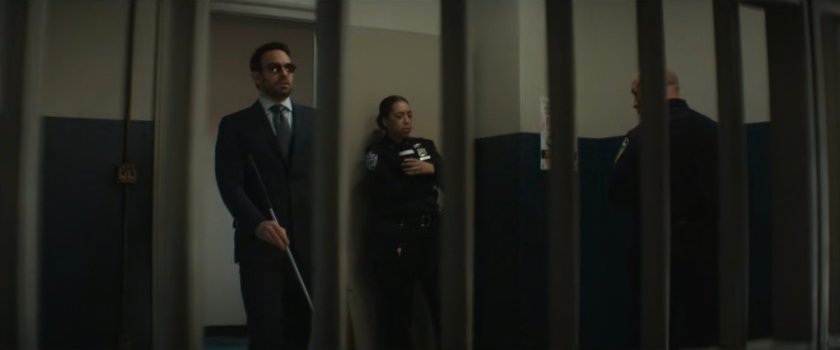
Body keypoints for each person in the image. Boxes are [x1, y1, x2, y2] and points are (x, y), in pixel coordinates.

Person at [609, 70, 719, 348]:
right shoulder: (714, 131)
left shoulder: (639, 137)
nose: (634, 104)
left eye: (635, 95)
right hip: (711, 249)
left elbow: (617, 193)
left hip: (658, 250)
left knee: (661, 327)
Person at [215, 41, 314, 349]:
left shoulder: (317, 120)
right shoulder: (235, 125)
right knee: (266, 332)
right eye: (274, 68)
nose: (283, 73)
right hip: (259, 246)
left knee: (301, 328)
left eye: (288, 67)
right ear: (256, 77)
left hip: (308, 245)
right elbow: (229, 182)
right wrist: (257, 223)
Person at [365, 95, 443, 349]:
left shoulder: (424, 146)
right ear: (385, 121)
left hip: (430, 233)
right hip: (398, 237)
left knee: (441, 301)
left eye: (409, 114)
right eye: (399, 116)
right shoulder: (377, 153)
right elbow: (388, 191)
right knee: (399, 310)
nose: (407, 120)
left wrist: (430, 170)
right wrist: (415, 178)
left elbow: (448, 176)